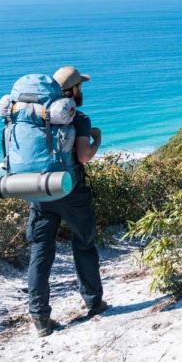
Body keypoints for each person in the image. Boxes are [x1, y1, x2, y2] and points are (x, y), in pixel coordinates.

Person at [26, 66, 109, 337]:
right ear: (72, 91)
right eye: (79, 87)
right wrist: (96, 139)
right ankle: (94, 302)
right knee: (83, 244)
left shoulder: (34, 117)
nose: (81, 91)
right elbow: (84, 156)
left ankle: (40, 318)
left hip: (39, 190)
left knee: (40, 250)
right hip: (71, 191)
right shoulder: (79, 117)